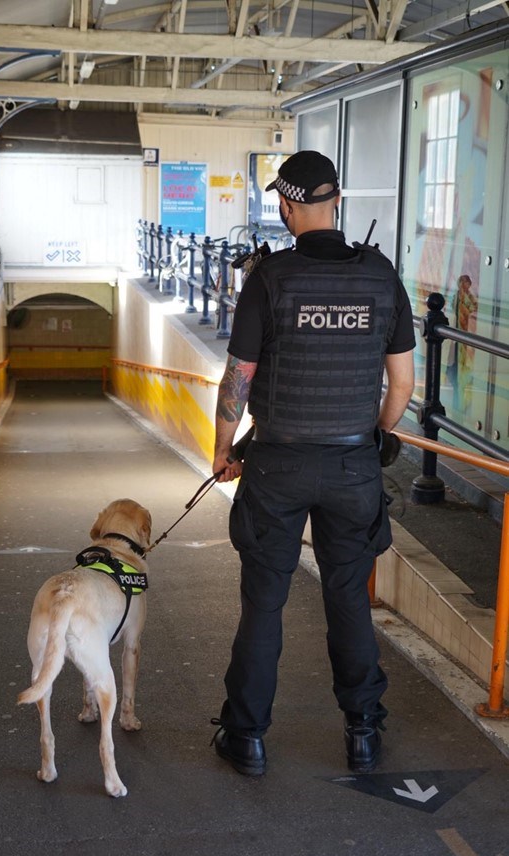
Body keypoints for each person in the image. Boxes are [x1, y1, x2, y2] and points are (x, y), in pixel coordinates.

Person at [210, 150, 415, 776]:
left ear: (287, 206)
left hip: (276, 466)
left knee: (265, 602)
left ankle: (246, 738)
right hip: (353, 467)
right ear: (337, 203)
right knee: (349, 599)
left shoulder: (270, 279)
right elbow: (402, 385)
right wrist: (375, 436)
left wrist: (223, 449)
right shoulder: (382, 277)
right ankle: (363, 734)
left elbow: (238, 378)